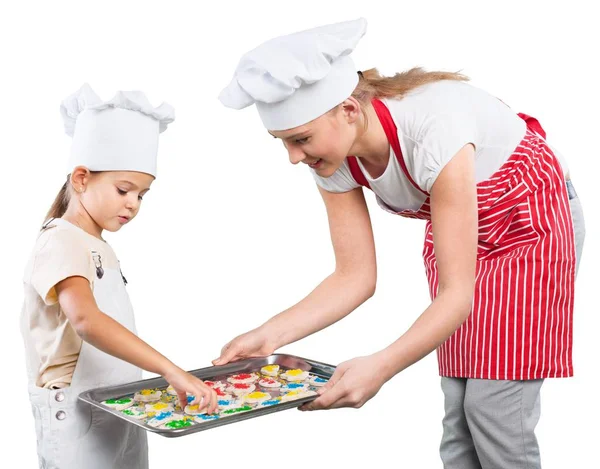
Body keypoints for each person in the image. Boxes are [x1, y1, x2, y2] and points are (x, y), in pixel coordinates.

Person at [215, 18, 585, 468]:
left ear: (349, 110)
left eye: (300, 140)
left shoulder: (433, 129)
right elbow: (354, 277)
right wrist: (268, 336)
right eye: (284, 144)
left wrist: (382, 366)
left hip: (530, 225)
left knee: (493, 410)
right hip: (464, 232)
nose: (295, 158)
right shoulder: (334, 158)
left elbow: (456, 296)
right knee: (460, 419)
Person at [21, 84, 217, 469]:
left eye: (142, 195)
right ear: (81, 179)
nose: (133, 203)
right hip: (76, 417)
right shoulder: (60, 240)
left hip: (118, 406)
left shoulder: (99, 246)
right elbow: (86, 320)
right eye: (124, 189)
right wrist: (170, 370)